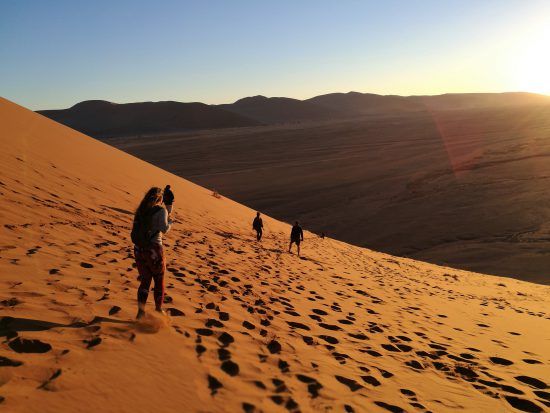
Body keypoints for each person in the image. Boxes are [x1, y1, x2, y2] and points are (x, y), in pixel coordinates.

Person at [131, 187, 172, 319]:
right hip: (154, 249)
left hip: (139, 249)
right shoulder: (161, 210)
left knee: (145, 281)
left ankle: (140, 312)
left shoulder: (140, 210)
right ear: (160, 199)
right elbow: (164, 229)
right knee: (159, 279)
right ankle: (158, 310)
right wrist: (170, 222)